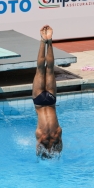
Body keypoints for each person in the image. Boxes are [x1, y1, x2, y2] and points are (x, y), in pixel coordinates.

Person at [32, 25, 62, 158]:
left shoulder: (57, 135)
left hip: (49, 101)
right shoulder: (41, 137)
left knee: (48, 68)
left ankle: (47, 41)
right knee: (41, 69)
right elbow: (38, 151)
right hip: (40, 101)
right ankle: (45, 40)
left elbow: (59, 149)